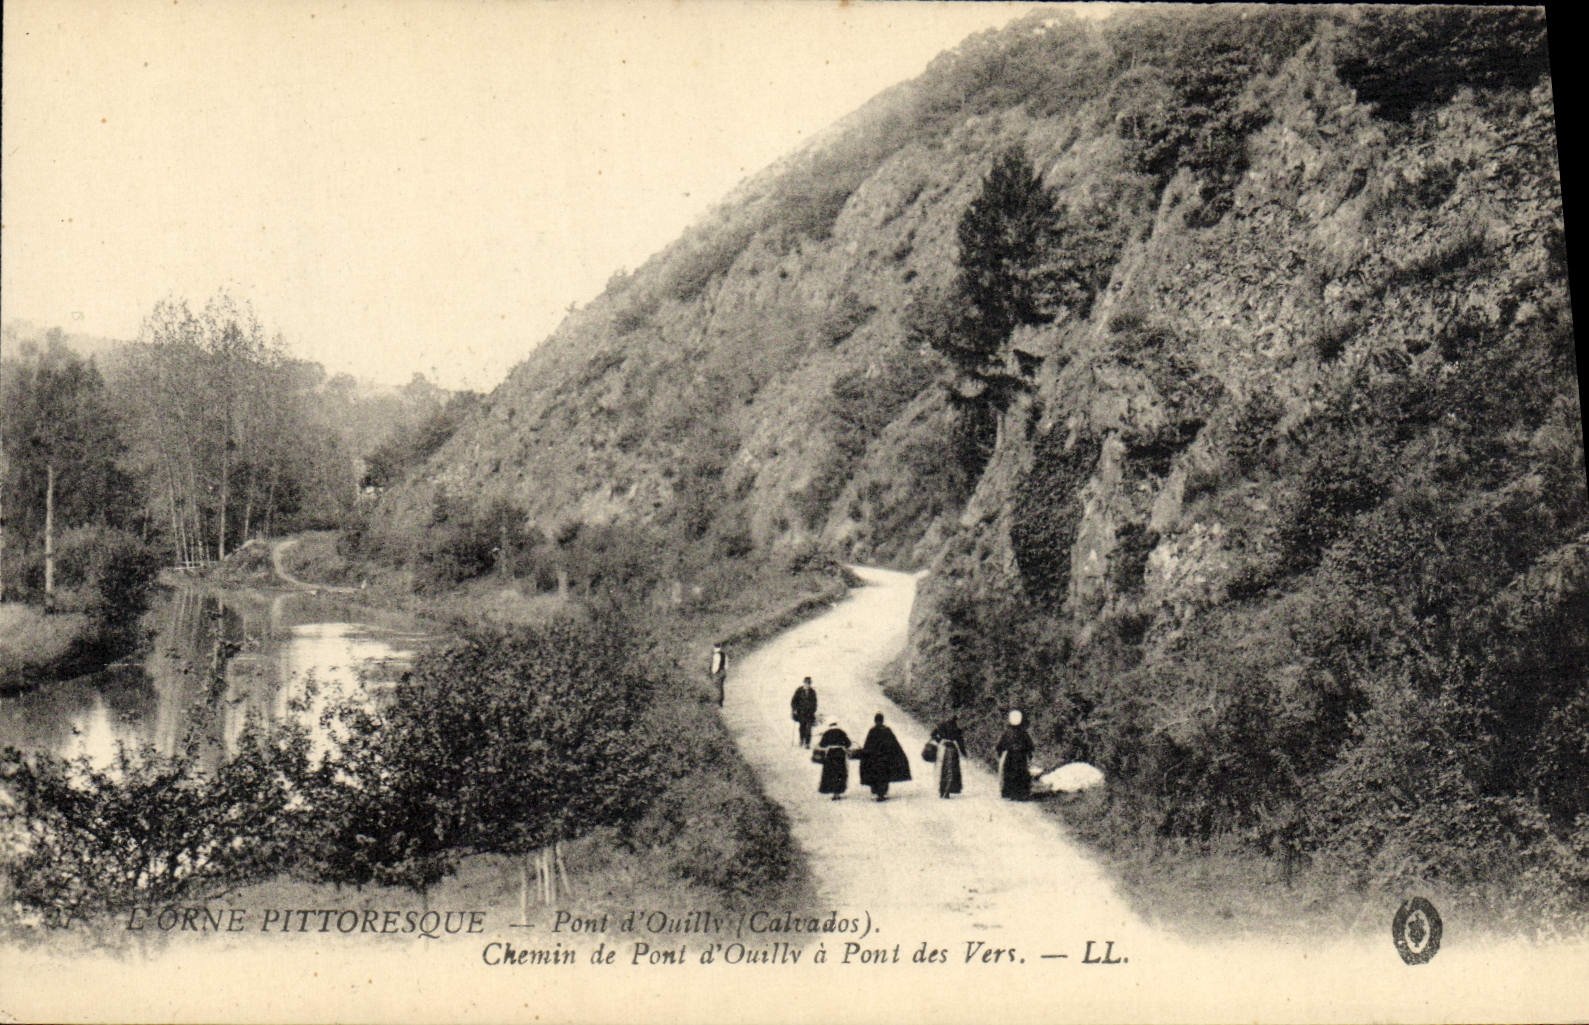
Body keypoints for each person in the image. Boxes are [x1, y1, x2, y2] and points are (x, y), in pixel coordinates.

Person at [858, 712, 911, 801]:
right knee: (885, 775)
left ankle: (875, 792)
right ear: (883, 720)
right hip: (885, 758)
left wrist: (865, 754)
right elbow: (894, 744)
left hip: (874, 758)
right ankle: (883, 793)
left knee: (874, 774)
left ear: (875, 721)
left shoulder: (872, 731)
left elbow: (868, 745)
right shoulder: (887, 730)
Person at [995, 709, 1035, 800]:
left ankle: (1010, 793)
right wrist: (1029, 754)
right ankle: (1021, 794)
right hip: (1021, 757)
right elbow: (1030, 745)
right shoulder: (1024, 733)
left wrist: (1000, 754)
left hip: (1010, 756)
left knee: (1009, 774)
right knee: (1022, 774)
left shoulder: (1007, 732)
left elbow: (1000, 746)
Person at [929, 717, 966, 799]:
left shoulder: (941, 725)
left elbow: (932, 734)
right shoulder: (956, 728)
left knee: (941, 769)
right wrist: (964, 753)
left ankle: (942, 790)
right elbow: (960, 742)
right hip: (952, 749)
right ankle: (947, 790)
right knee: (951, 770)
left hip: (942, 749)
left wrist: (939, 740)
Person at [815, 721, 852, 800]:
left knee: (831, 773)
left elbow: (822, 744)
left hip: (831, 754)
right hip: (840, 754)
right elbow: (848, 743)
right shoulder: (841, 732)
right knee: (840, 773)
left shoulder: (827, 733)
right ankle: (838, 793)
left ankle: (833, 793)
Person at [790, 677, 819, 748]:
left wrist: (813, 710)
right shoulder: (799, 690)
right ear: (804, 683)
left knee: (809, 729)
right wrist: (795, 709)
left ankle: (807, 743)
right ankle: (801, 740)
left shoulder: (812, 692)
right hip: (801, 713)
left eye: (809, 683)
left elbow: (815, 703)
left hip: (809, 714)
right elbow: (793, 701)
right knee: (802, 728)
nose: (807, 685)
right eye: (806, 683)